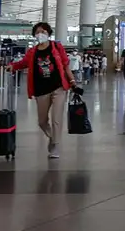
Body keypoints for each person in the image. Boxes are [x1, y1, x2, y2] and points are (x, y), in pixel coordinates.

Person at [10, 22, 76, 159]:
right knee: (42, 121)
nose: (41, 34)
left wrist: (72, 81)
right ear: (34, 35)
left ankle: (56, 146)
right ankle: (52, 137)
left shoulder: (57, 47)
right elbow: (23, 63)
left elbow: (65, 65)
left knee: (56, 118)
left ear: (49, 34)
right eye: (38, 32)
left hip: (59, 87)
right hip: (41, 90)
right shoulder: (32, 52)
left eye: (44, 32)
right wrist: (12, 66)